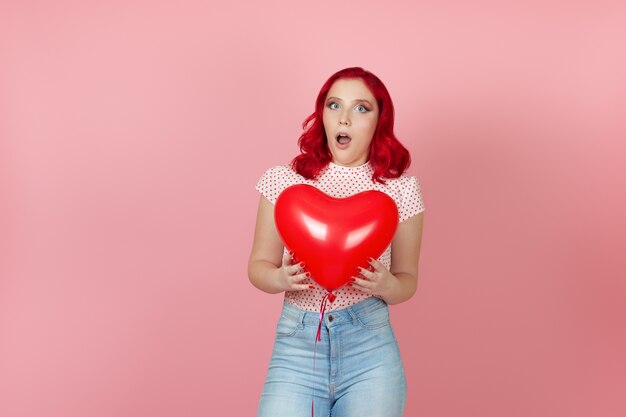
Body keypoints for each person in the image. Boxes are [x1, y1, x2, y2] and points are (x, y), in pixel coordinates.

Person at [248, 66, 425, 417]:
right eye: (334, 105)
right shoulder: (284, 183)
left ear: (379, 121)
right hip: (297, 346)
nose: (345, 118)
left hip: (370, 349)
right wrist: (280, 279)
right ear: (322, 115)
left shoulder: (401, 189)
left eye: (361, 108)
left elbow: (408, 283)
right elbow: (258, 267)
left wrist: (386, 284)